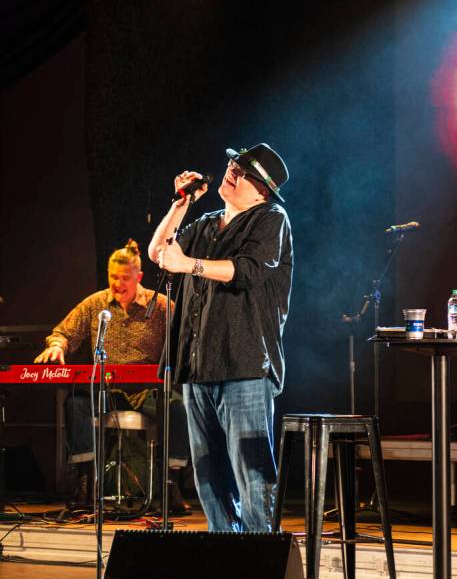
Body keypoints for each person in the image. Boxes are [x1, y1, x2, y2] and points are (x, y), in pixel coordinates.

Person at [148, 143, 293, 533]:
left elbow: (248, 271)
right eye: (233, 164)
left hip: (244, 363)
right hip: (198, 363)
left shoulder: (271, 219)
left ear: (262, 189)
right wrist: (181, 205)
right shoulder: (207, 223)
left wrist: (190, 265)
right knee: (208, 470)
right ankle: (225, 550)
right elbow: (158, 253)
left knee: (251, 468)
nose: (232, 171)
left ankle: (261, 555)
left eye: (244, 171)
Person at [35, 240, 191, 513]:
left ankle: (171, 483)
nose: (118, 284)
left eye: (125, 278)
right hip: (106, 390)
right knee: (76, 404)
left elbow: (187, 338)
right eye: (113, 277)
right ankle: (86, 481)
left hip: (147, 390)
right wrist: (56, 346)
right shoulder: (95, 304)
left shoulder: (162, 306)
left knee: (178, 408)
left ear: (138, 277)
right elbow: (63, 333)